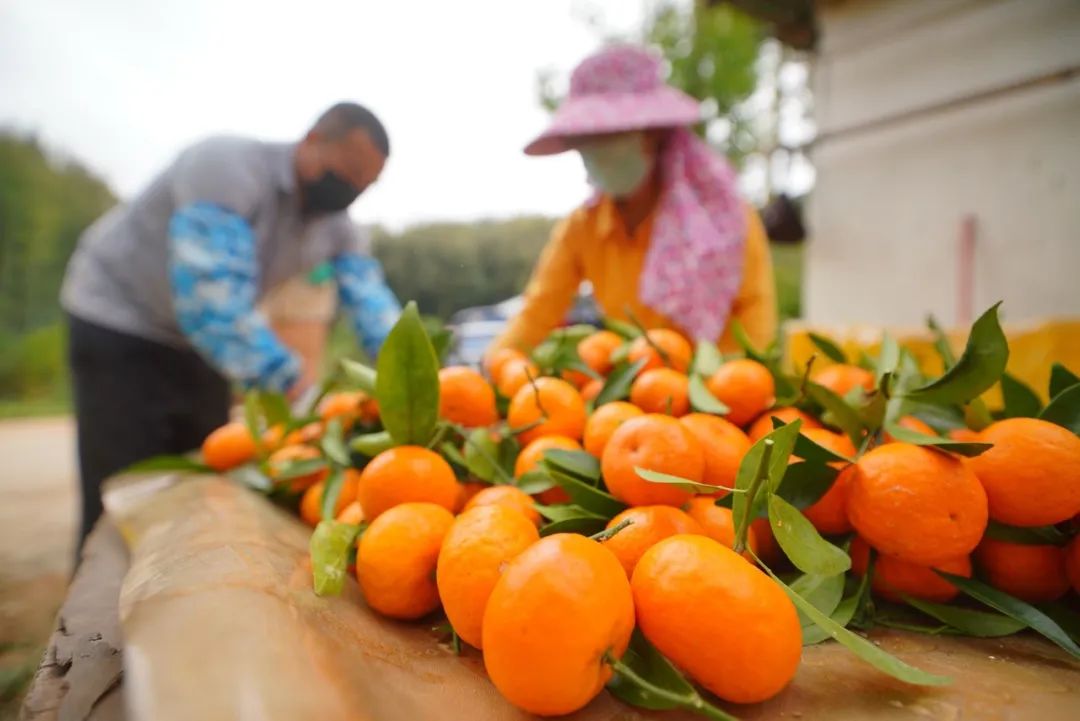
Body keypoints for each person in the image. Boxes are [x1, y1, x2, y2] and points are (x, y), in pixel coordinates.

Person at [60, 102, 401, 547]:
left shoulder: (337, 227)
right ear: (313, 139)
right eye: (348, 171)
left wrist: (419, 376)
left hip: (197, 346)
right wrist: (299, 388)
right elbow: (212, 304)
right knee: (124, 487)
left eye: (365, 184)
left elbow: (374, 307)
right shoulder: (226, 166)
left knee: (205, 479)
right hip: (120, 321)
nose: (352, 189)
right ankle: (96, 613)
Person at [489, 46, 776, 358]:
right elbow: (537, 313)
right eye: (584, 139)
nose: (593, 151)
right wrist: (492, 367)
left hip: (724, 395)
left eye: (607, 136)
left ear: (652, 134)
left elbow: (755, 319)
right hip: (634, 394)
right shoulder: (582, 229)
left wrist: (731, 388)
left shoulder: (724, 219)